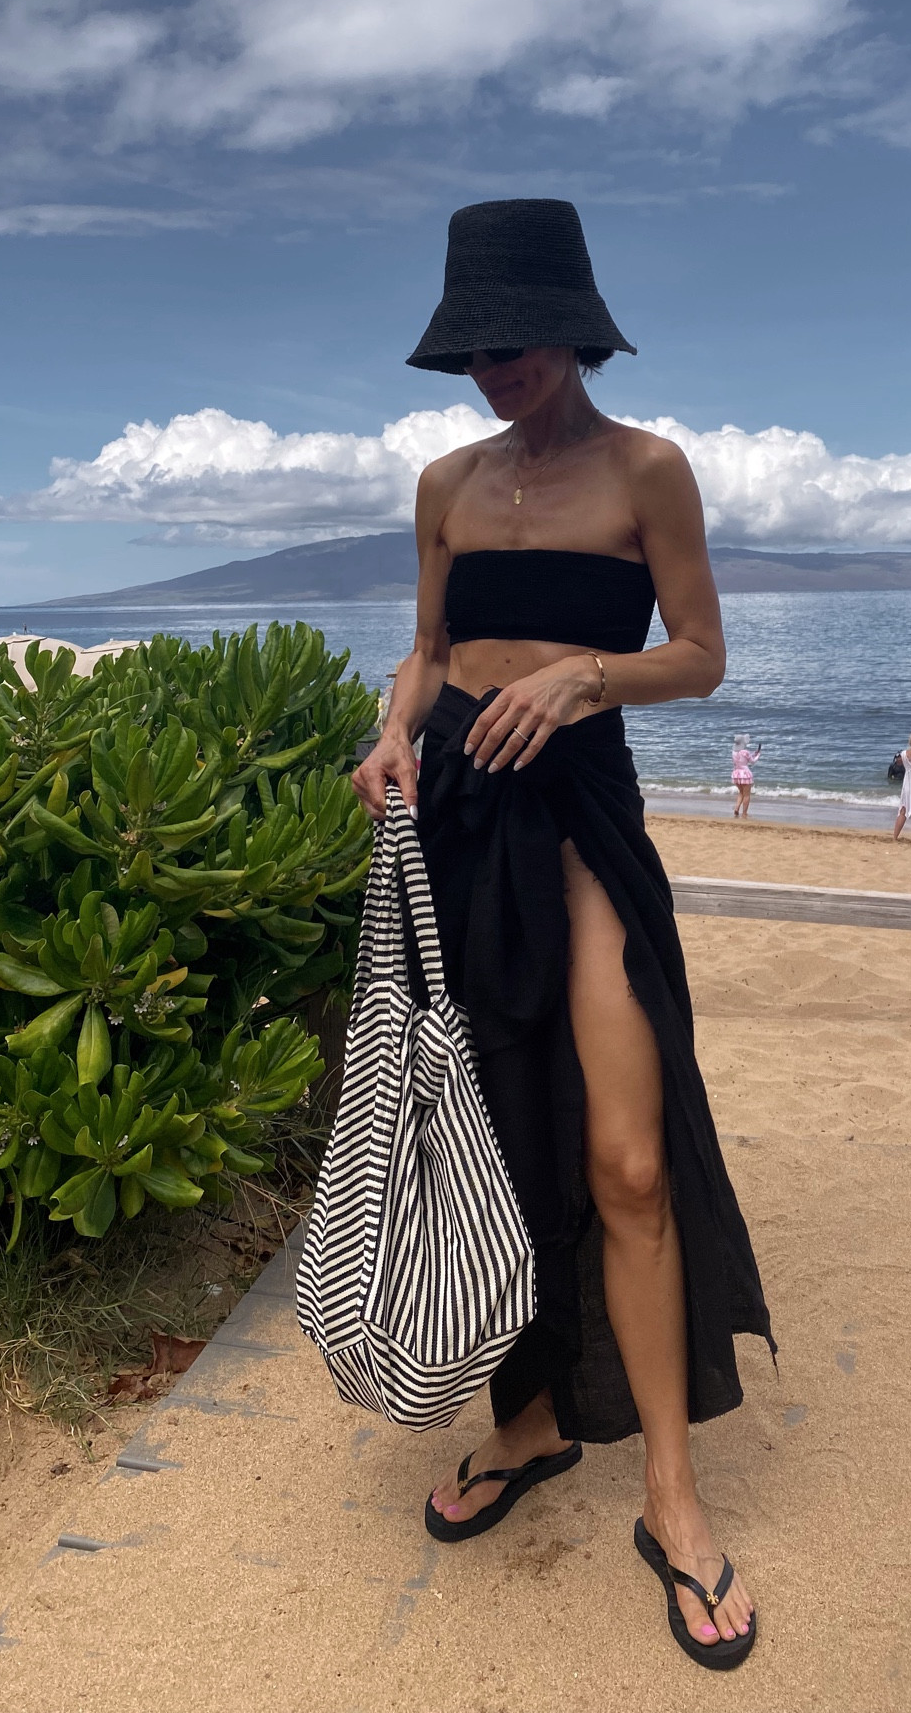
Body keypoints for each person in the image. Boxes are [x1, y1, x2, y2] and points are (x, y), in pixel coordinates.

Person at [351, 199, 772, 1669]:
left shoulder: (648, 469)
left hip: (582, 812)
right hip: (460, 809)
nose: (491, 369)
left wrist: (594, 677)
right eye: (470, 347)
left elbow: (703, 658)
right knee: (492, 1131)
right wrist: (389, 734)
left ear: (575, 326)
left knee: (627, 1153)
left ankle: (671, 1486)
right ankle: (525, 1426)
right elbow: (425, 650)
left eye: (514, 341)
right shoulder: (446, 482)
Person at [730, 734, 761, 818]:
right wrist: (758, 755)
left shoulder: (733, 752)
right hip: (745, 774)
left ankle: (736, 808)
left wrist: (754, 753)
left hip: (736, 773)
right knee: (747, 795)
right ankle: (744, 813)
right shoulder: (745, 752)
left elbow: (743, 759)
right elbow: (752, 761)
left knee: (741, 792)